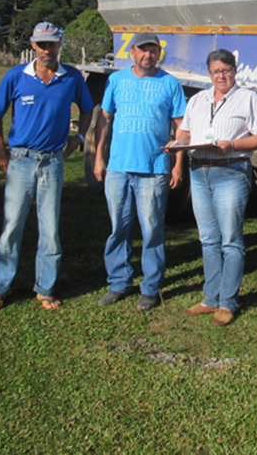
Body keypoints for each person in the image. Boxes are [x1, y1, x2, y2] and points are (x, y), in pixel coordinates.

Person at [0, 22, 94, 312]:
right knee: (12, 227)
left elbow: (87, 109)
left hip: (53, 162)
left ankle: (45, 288)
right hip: (21, 160)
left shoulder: (71, 78)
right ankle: (1, 287)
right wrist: (0, 152)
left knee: (50, 228)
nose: (47, 49)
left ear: (60, 44)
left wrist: (79, 137)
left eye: (52, 44)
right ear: (33, 45)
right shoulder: (16, 76)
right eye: (41, 44)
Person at [171, 49, 257, 326]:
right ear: (209, 73)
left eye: (226, 70)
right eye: (215, 71)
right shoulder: (198, 99)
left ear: (235, 71)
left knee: (230, 240)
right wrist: (178, 143)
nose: (221, 76)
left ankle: (227, 303)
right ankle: (209, 299)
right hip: (199, 173)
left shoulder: (248, 99)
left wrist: (234, 144)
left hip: (231, 171)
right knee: (208, 239)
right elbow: (186, 132)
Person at [93, 32, 187, 311]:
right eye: (143, 50)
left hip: (154, 168)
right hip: (119, 168)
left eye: (153, 50)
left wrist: (178, 163)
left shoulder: (170, 83)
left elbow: (182, 126)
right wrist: (99, 158)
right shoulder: (116, 80)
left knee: (152, 230)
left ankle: (151, 287)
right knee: (118, 228)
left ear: (159, 54)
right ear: (132, 52)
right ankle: (119, 282)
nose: (148, 55)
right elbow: (104, 120)